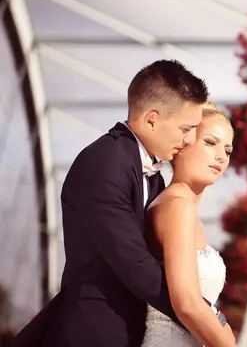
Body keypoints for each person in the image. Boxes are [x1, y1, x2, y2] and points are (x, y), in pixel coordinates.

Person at [11, 60, 218, 347]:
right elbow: (136, 266)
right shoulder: (104, 163)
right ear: (151, 119)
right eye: (186, 128)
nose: (189, 140)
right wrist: (210, 319)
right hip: (93, 333)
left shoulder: (152, 175)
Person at [142, 101, 236, 347]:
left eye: (228, 150)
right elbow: (187, 304)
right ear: (183, 142)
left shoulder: (191, 217)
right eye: (210, 142)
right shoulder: (177, 206)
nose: (220, 157)